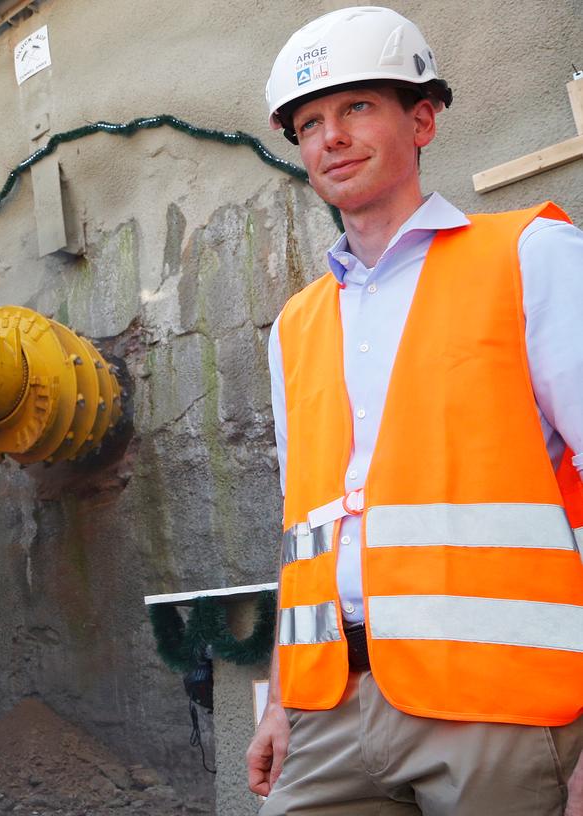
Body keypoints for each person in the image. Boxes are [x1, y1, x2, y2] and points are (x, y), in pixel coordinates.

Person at [245, 7, 583, 814]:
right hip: (330, 709)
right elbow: (308, 533)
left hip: (499, 706)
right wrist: (282, 698)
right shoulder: (296, 326)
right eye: (310, 123)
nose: (331, 137)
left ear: (423, 118)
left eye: (358, 107)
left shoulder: (528, 257)